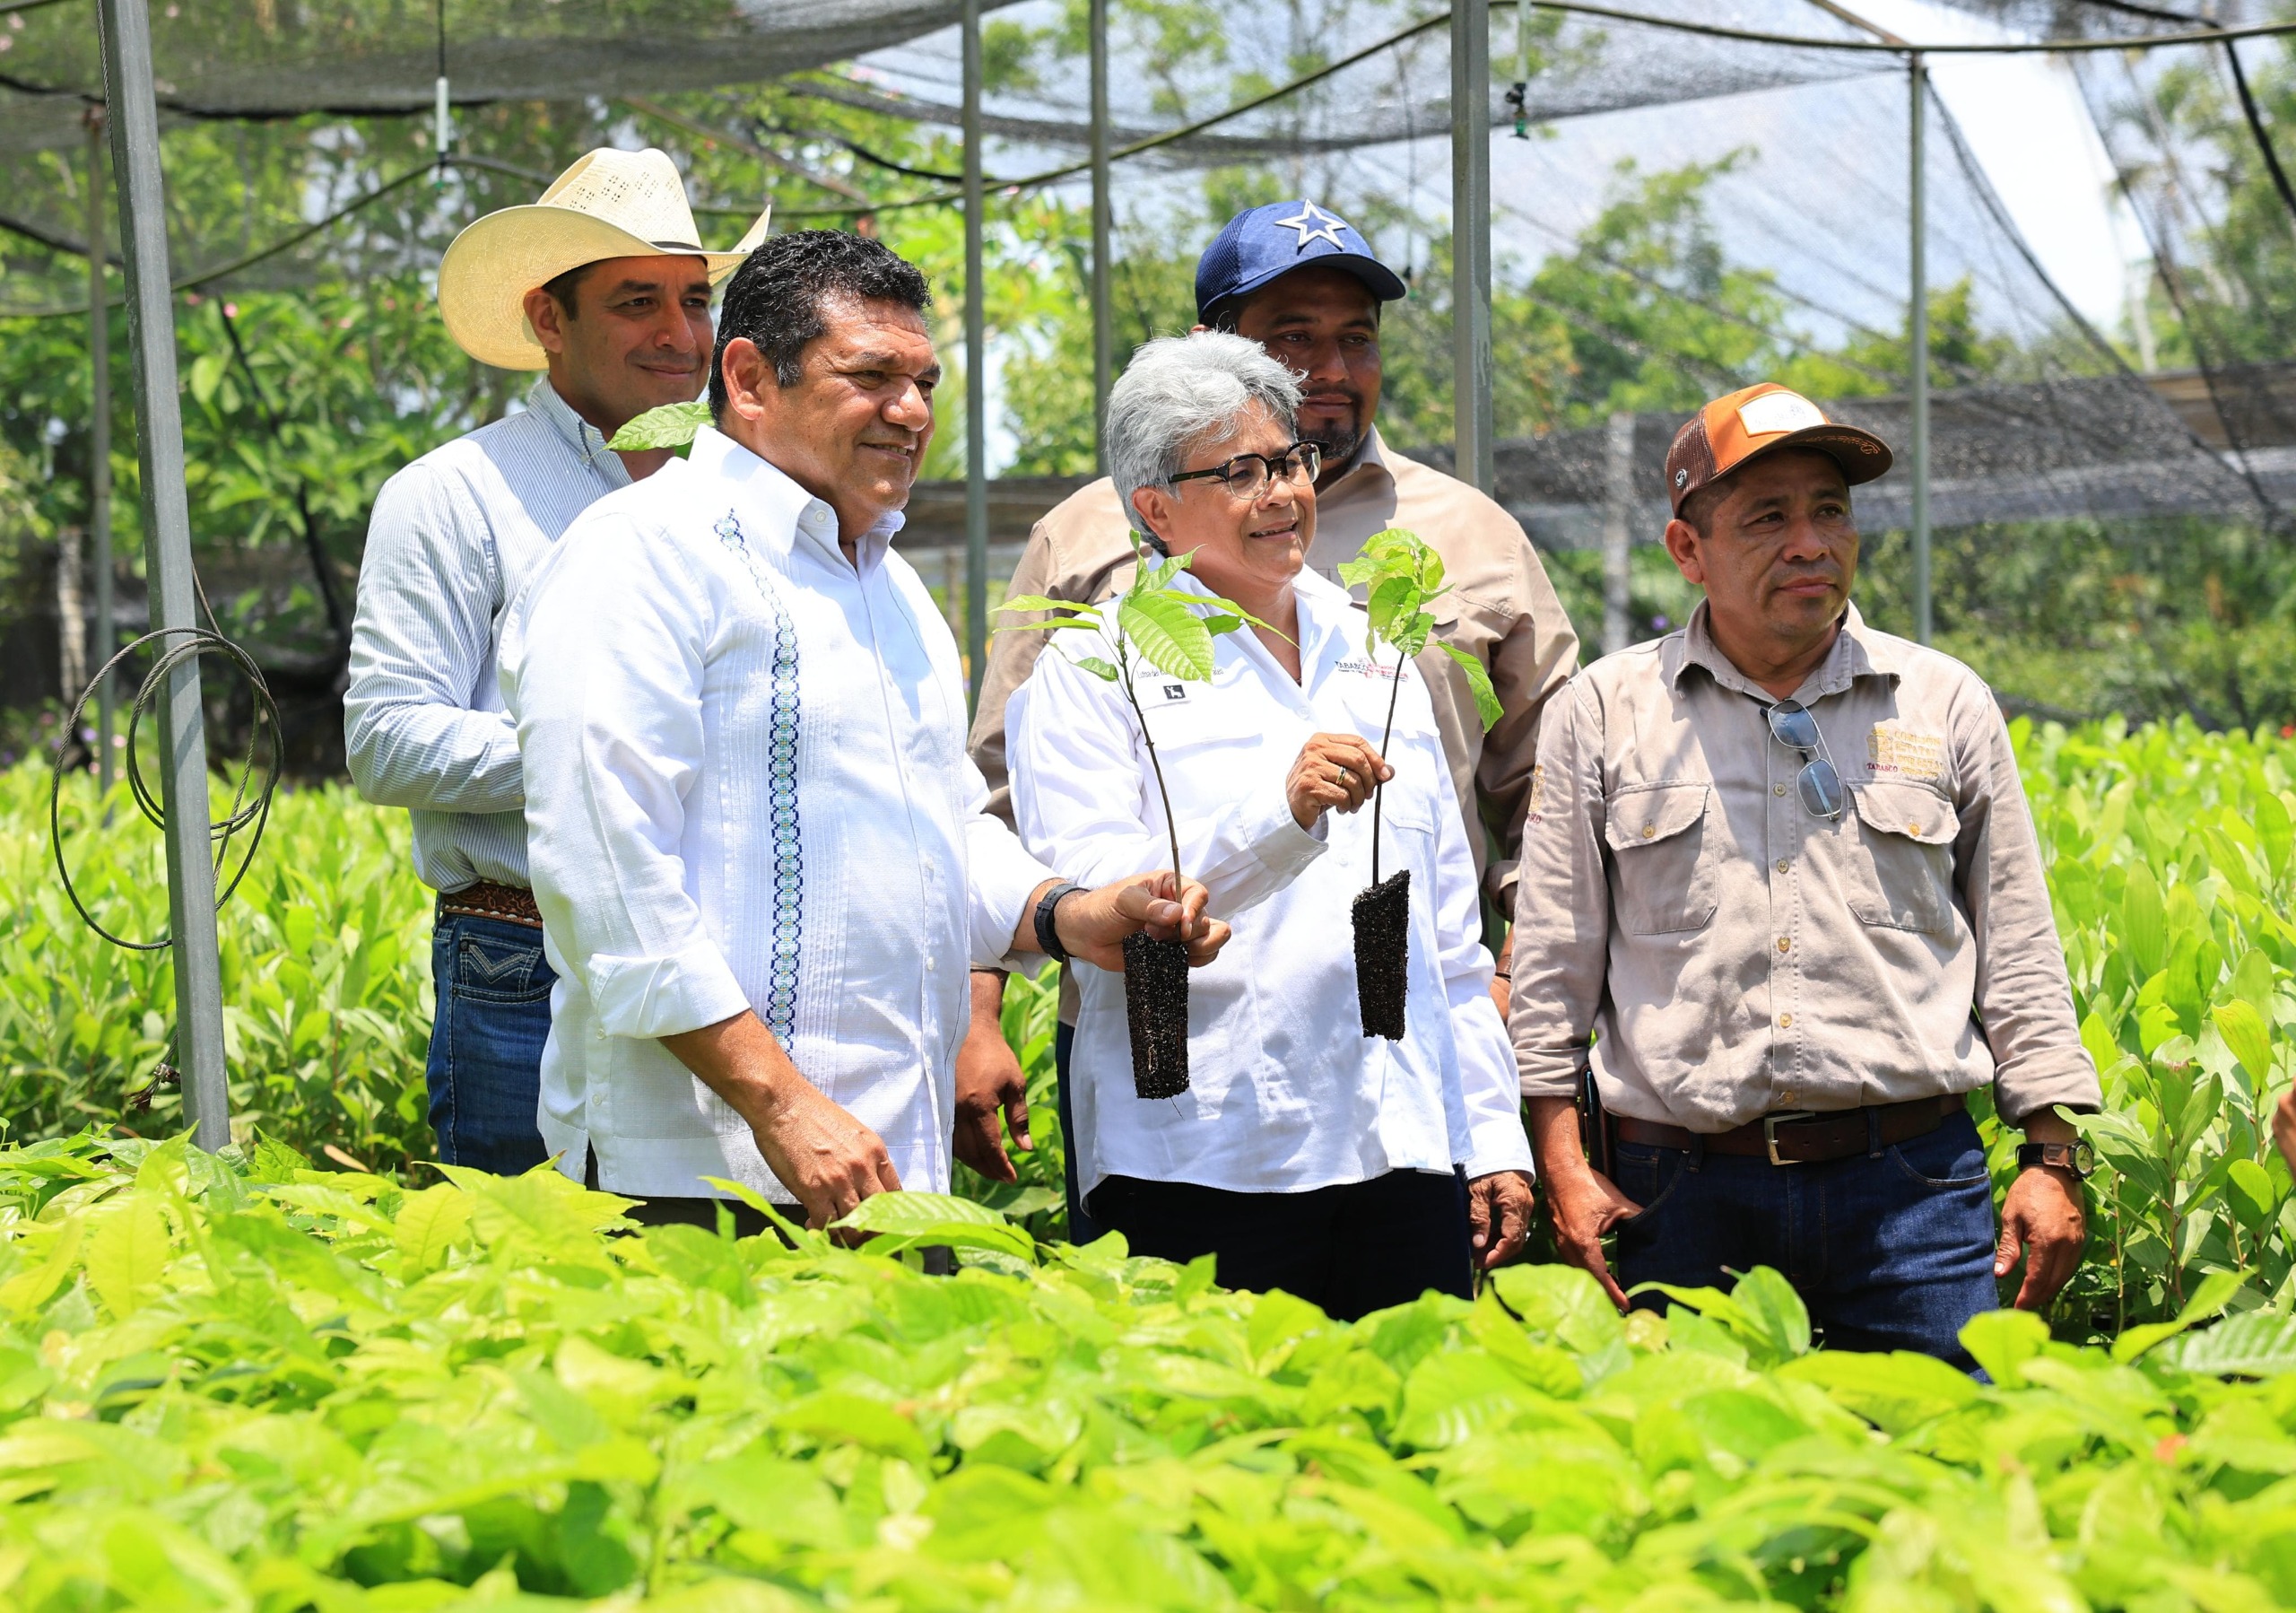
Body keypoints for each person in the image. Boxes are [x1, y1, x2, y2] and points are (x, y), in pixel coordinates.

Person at [499, 231, 1228, 1231]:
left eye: (924, 379)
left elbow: (946, 824)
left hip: (887, 1160)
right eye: (872, 375)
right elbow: (606, 872)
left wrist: (1068, 915)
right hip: (699, 1166)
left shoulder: (891, 587)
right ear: (749, 379)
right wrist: (782, 1103)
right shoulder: (638, 556)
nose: (913, 410)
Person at [966, 198, 1578, 1256]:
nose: (1279, 492)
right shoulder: (1090, 644)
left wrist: (1489, 1133)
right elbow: (1075, 880)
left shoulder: (1383, 638)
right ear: (1151, 511)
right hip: (1192, 1130)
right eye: (1238, 471)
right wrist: (1279, 816)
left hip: (1392, 1126)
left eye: (1286, 462)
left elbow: (1441, 930)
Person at [1509, 381, 2100, 1365]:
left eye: (1831, 510)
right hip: (1677, 1185)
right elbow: (1553, 962)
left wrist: (2051, 1157)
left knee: (1939, 1470)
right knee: (1692, 1488)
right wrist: (1562, 1163)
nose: (1810, 542)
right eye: (1768, 516)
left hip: (1910, 1189)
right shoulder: (1606, 710)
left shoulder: (1942, 700)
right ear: (1686, 550)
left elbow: (2019, 946)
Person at [345, 148, 767, 1173]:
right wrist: (613, 750)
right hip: (522, 957)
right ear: (548, 322)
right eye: (634, 302)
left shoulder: (741, 496)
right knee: (531, 1284)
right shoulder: (456, 494)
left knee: (717, 1277)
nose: (677, 335)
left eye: (693, 300)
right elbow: (386, 740)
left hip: (722, 954)